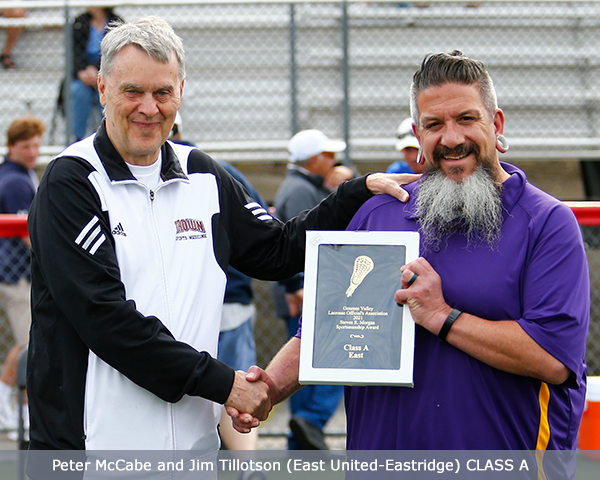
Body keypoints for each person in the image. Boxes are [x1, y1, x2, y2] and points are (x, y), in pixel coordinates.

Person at [25, 16, 417, 451]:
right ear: (102, 89)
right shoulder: (72, 180)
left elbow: (276, 251)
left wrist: (353, 195)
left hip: (194, 446)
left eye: (162, 92)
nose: (149, 108)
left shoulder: (203, 174)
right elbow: (103, 318)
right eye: (132, 91)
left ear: (181, 91)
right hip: (89, 450)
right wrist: (224, 384)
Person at [232, 51, 590, 460]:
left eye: (467, 119)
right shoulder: (379, 213)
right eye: (434, 125)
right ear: (419, 137)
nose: (451, 138)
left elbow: (552, 358)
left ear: (497, 124)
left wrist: (443, 317)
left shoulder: (546, 222)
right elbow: (329, 327)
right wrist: (267, 387)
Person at [169, 112, 264, 451]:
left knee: (189, 397)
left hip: (181, 312)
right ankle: (247, 469)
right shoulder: (221, 172)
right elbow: (264, 233)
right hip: (228, 302)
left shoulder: (205, 172)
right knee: (237, 390)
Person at [272, 129, 350, 450]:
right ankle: (311, 425)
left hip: (305, 292)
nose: (335, 161)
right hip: (308, 294)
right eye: (329, 155)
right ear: (315, 160)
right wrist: (298, 286)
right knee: (336, 360)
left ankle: (301, 443)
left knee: (304, 374)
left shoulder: (299, 187)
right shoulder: (301, 192)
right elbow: (297, 245)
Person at [0, 116, 45, 435]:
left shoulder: (19, 173)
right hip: (17, 276)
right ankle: (17, 411)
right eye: (26, 146)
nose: (33, 151)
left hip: (18, 273)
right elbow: (28, 234)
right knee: (29, 343)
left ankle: (10, 405)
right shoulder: (14, 180)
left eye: (36, 145)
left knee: (24, 341)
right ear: (11, 147)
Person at [69, 7, 122, 141]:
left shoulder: (117, 22)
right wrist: (82, 72)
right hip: (84, 74)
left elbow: (116, 55)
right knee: (78, 91)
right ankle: (78, 138)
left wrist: (98, 72)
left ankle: (107, 138)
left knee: (107, 94)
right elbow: (74, 52)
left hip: (108, 73)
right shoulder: (79, 21)